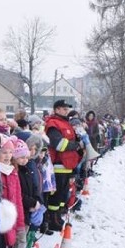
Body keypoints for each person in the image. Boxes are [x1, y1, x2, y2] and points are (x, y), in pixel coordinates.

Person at [44, 99, 83, 233]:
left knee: (62, 195)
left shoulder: (66, 123)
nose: (67, 111)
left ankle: (58, 216)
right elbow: (59, 144)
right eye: (64, 108)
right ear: (57, 110)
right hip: (58, 166)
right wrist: (75, 145)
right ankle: (51, 220)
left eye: (67, 109)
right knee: (56, 195)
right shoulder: (53, 124)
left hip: (68, 165)